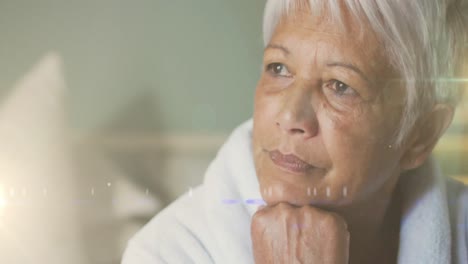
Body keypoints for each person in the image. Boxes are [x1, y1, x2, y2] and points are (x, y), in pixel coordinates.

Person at [122, 0, 468, 263]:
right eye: (279, 68)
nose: (289, 115)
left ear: (421, 133)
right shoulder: (166, 252)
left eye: (340, 86)